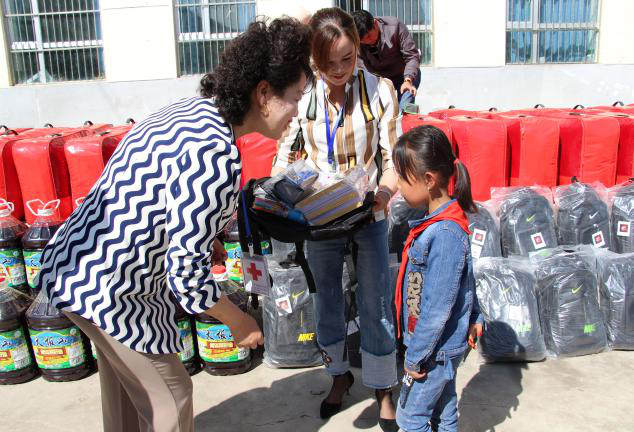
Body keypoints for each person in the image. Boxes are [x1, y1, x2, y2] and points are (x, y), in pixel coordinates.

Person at [37, 17, 313, 432]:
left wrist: (203, 237)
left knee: (127, 398)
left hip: (77, 264)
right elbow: (186, 276)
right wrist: (237, 320)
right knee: (171, 397)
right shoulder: (214, 154)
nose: (297, 113)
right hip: (111, 290)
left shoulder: (196, 111)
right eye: (295, 98)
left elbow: (166, 199)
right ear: (263, 94)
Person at [272, 7, 401, 431]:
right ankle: (338, 374)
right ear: (314, 59)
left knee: (375, 301)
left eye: (347, 58)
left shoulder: (379, 91)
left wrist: (384, 194)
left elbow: (392, 158)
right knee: (326, 299)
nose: (340, 69)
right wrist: (283, 189)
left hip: (368, 212)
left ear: (357, 47)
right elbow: (284, 156)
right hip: (321, 216)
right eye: (329, 63)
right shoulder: (303, 96)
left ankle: (383, 387)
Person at [391, 125, 484, 432]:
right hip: (436, 347)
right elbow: (463, 282)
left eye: (402, 177)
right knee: (443, 413)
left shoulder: (444, 234)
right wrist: (476, 314)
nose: (398, 185)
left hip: (433, 350)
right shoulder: (439, 224)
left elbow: (437, 307)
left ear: (429, 180)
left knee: (410, 418)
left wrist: (415, 357)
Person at [352, 9, 421, 112]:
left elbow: (412, 56)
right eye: (362, 40)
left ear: (375, 24)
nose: (367, 41)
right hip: (381, 80)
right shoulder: (356, 42)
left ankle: (414, 115)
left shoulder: (395, 26)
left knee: (404, 107)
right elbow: (364, 70)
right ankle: (416, 112)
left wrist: (408, 80)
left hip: (406, 74)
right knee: (382, 111)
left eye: (369, 36)